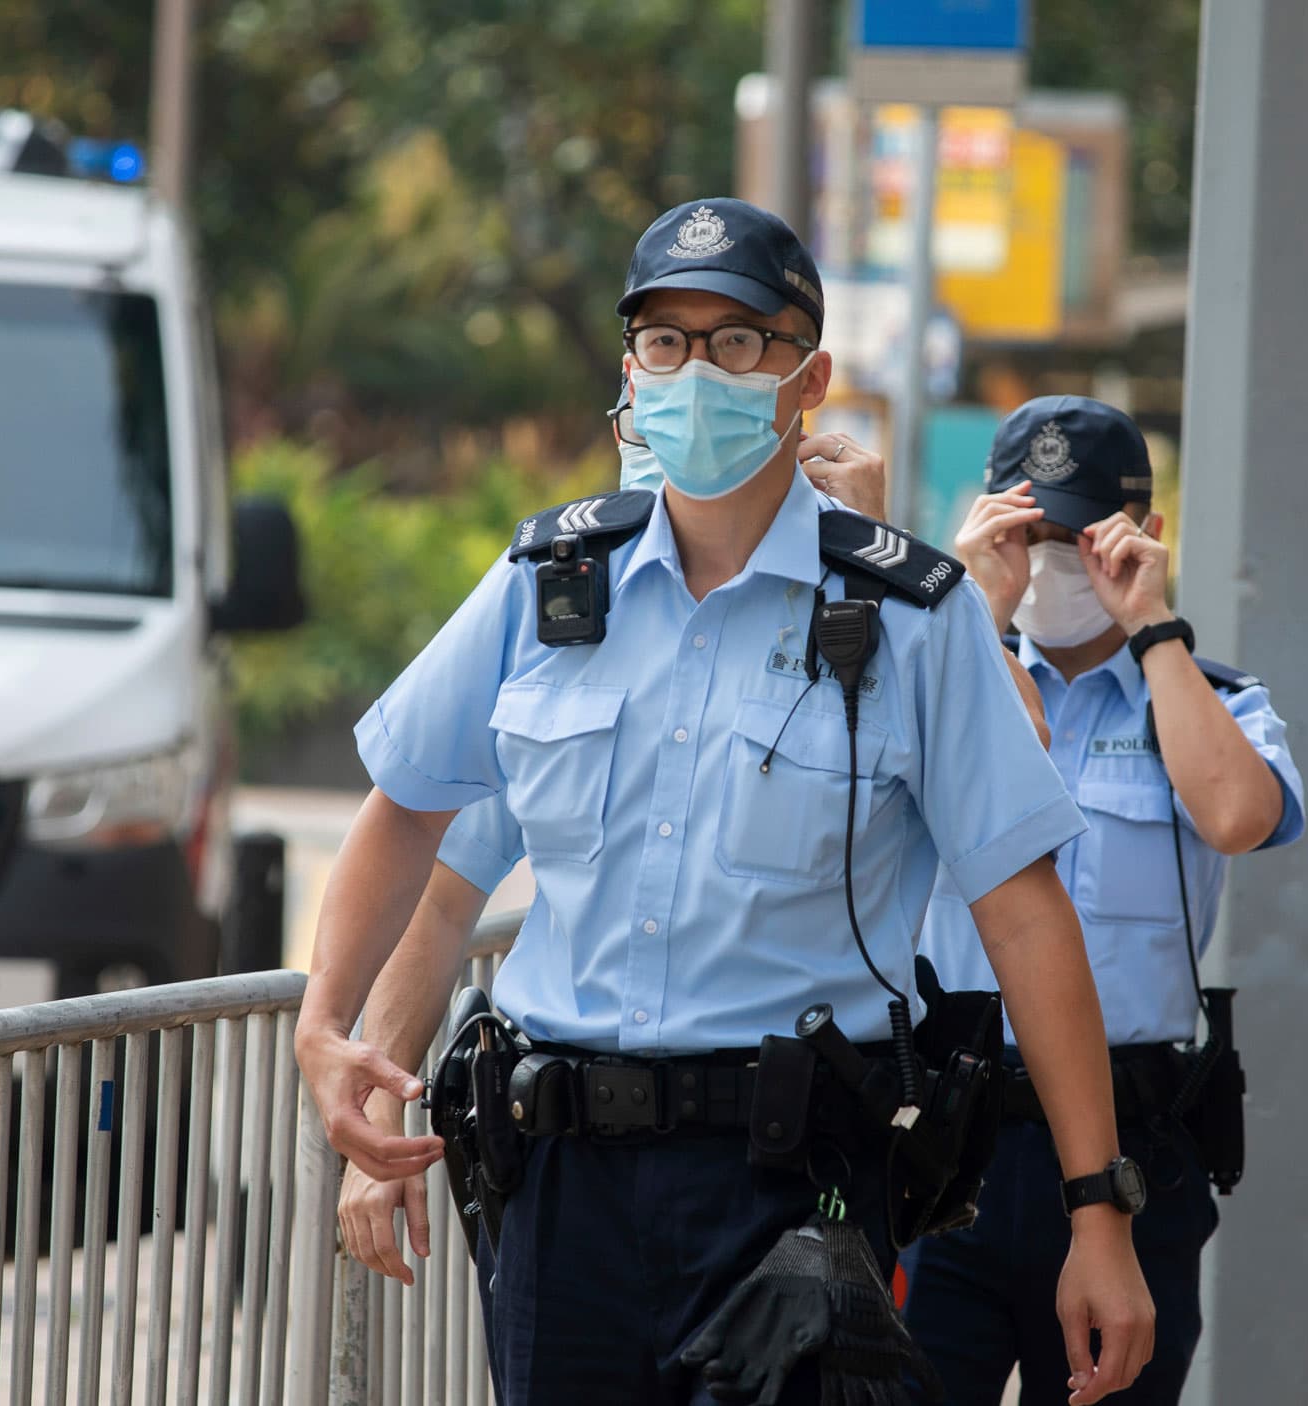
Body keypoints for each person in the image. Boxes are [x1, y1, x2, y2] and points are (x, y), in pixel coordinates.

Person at [293, 197, 1155, 1406]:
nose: (697, 373)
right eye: (665, 342)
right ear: (632, 372)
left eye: (738, 342)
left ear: (808, 379)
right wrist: (328, 1026)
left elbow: (1023, 911)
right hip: (559, 1187)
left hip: (792, 1189)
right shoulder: (545, 583)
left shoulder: (912, 617)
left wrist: (1095, 1212)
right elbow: (406, 811)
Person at [898, 397, 1306, 1405]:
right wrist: (968, 614)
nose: (1051, 560)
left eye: (1077, 534)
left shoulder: (1204, 695)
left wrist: (1152, 629)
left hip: (1130, 1151)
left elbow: (1237, 816)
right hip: (946, 1134)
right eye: (1026, 531)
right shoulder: (937, 675)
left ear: (1142, 534)